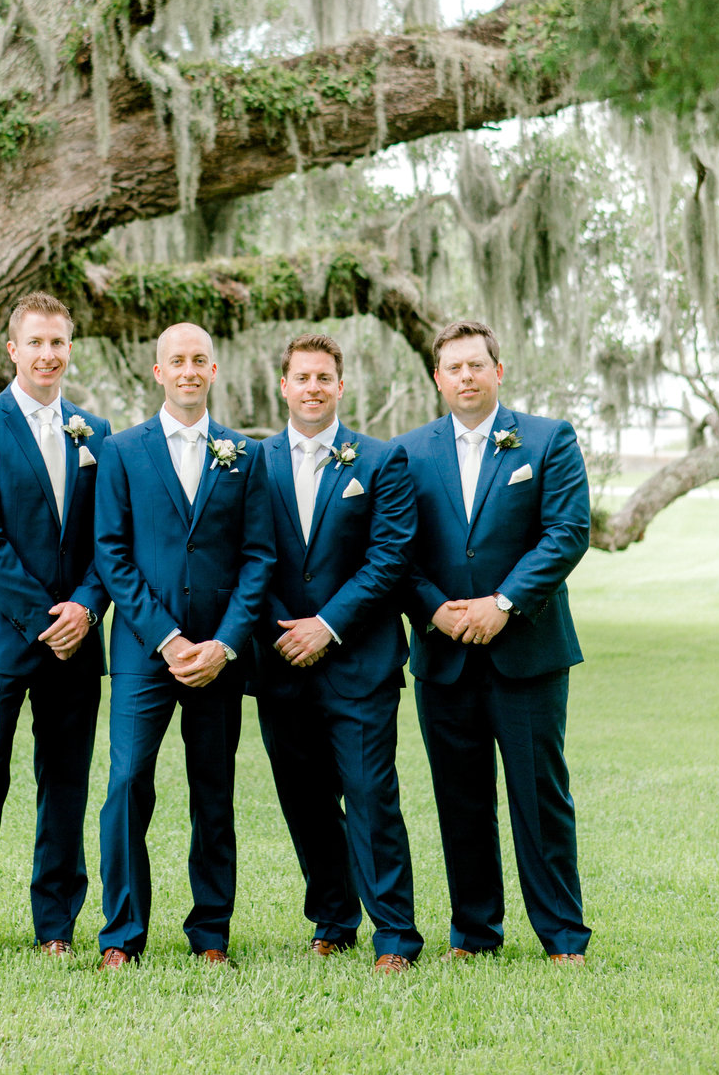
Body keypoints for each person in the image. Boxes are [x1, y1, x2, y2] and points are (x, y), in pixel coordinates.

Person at [399, 319, 592, 963]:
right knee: (460, 800)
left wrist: (502, 604)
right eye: (453, 368)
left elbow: (566, 532)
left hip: (527, 654)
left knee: (540, 798)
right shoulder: (408, 453)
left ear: (498, 370)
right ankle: (475, 934)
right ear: (437, 378)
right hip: (443, 655)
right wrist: (436, 611)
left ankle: (563, 935)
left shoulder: (547, 439)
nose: (466, 376)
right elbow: (396, 551)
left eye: (477, 365)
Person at [94, 322, 275, 969]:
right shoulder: (121, 450)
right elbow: (111, 553)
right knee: (126, 784)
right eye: (178, 360)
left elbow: (259, 559)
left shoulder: (244, 455)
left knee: (213, 791)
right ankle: (121, 934)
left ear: (215, 370)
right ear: (158, 371)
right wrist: (167, 639)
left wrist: (224, 644)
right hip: (146, 652)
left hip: (219, 659)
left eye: (201, 359)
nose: (190, 369)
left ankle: (211, 934)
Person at [0, 292, 110, 964]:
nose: (47, 354)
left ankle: (56, 927)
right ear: (12, 350)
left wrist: (87, 608)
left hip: (78, 633)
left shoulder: (94, 431)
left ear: (70, 350)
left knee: (65, 779)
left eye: (58, 343)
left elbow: (110, 538)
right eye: (35, 343)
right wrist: (49, 619)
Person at [253, 333, 422, 971]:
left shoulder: (380, 462)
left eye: (325, 377)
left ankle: (397, 936)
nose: (313, 387)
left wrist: (326, 625)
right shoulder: (251, 460)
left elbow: (389, 559)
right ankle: (333, 916)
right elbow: (248, 559)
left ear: (341, 387)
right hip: (279, 660)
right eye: (302, 377)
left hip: (358, 660)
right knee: (304, 796)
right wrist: (280, 628)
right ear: (284, 386)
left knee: (370, 792)